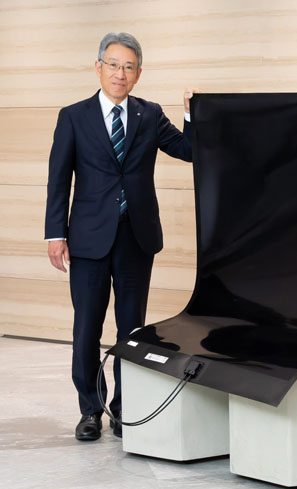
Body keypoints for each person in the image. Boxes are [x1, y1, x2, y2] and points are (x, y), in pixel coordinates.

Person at [44, 32, 198, 441]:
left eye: (129, 67)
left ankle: (124, 407)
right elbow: (58, 180)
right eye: (113, 65)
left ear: (138, 74)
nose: (120, 73)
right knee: (86, 329)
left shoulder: (150, 114)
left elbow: (189, 150)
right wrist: (55, 233)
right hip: (88, 240)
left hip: (136, 239)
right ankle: (90, 410)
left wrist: (191, 114)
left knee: (132, 330)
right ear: (98, 67)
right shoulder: (73, 116)